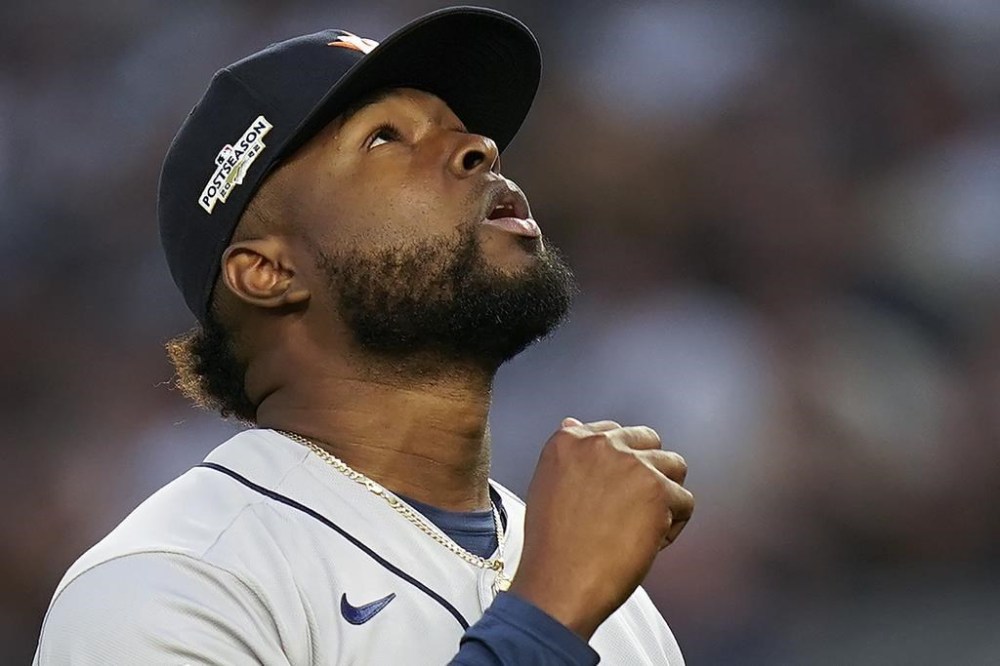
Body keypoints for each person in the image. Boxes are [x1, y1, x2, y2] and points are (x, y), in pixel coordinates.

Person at [33, 7, 694, 665]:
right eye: (384, 138)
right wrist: (548, 615)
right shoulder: (173, 582)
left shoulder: (615, 601)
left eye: (462, 130)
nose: (481, 148)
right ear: (267, 271)